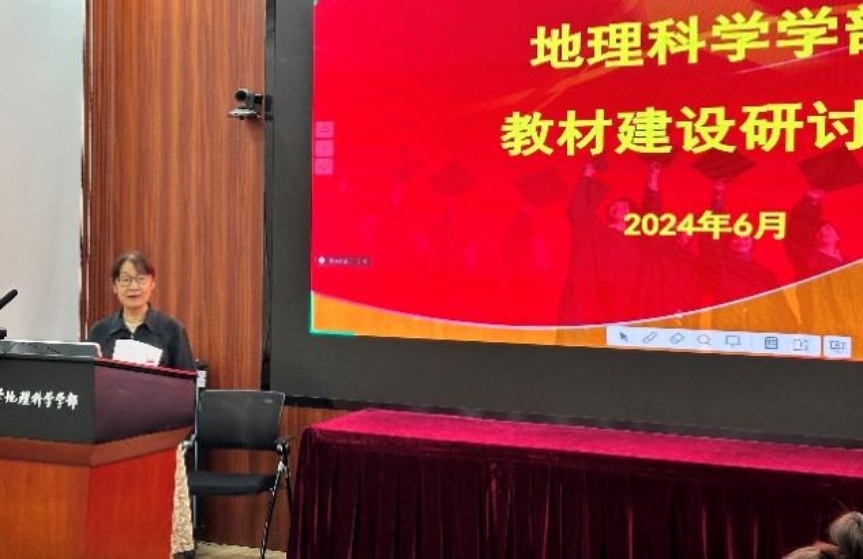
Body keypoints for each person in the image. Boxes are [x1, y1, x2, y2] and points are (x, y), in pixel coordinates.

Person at [88, 251, 195, 371]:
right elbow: (88, 376)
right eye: (126, 280)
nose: (133, 287)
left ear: (152, 283)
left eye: (140, 279)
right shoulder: (99, 331)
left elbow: (187, 379)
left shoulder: (172, 330)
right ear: (114, 286)